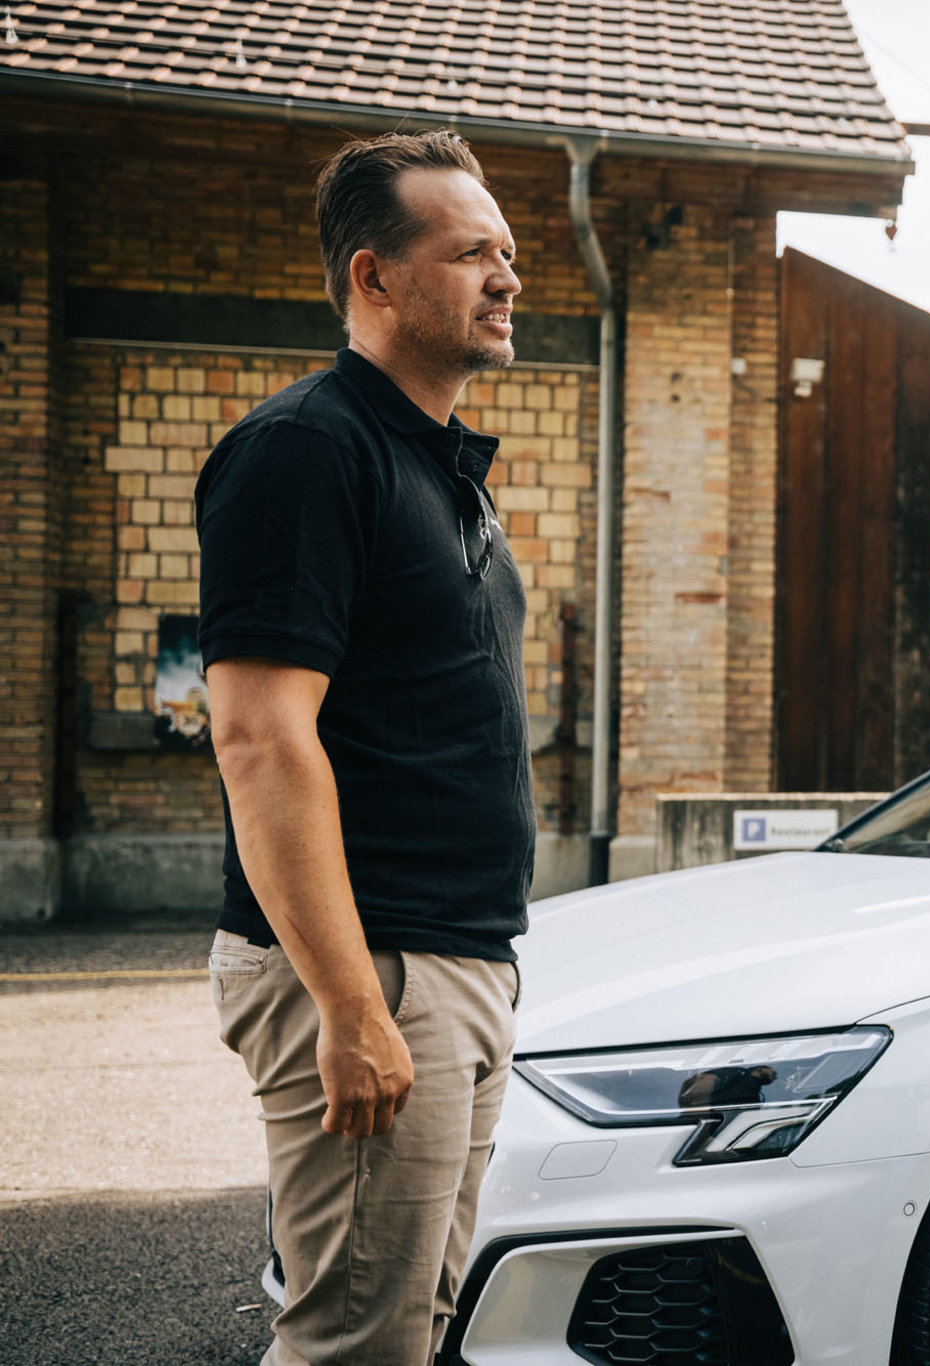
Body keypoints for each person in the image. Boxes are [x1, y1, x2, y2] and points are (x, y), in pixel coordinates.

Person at [196, 130, 532, 1364]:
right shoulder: (306, 451)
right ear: (372, 278)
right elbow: (259, 736)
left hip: (454, 960)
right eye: (469, 254)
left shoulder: (437, 467)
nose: (506, 277)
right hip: (370, 966)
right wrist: (349, 1003)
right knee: (355, 1343)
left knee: (412, 1326)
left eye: (507, 253)